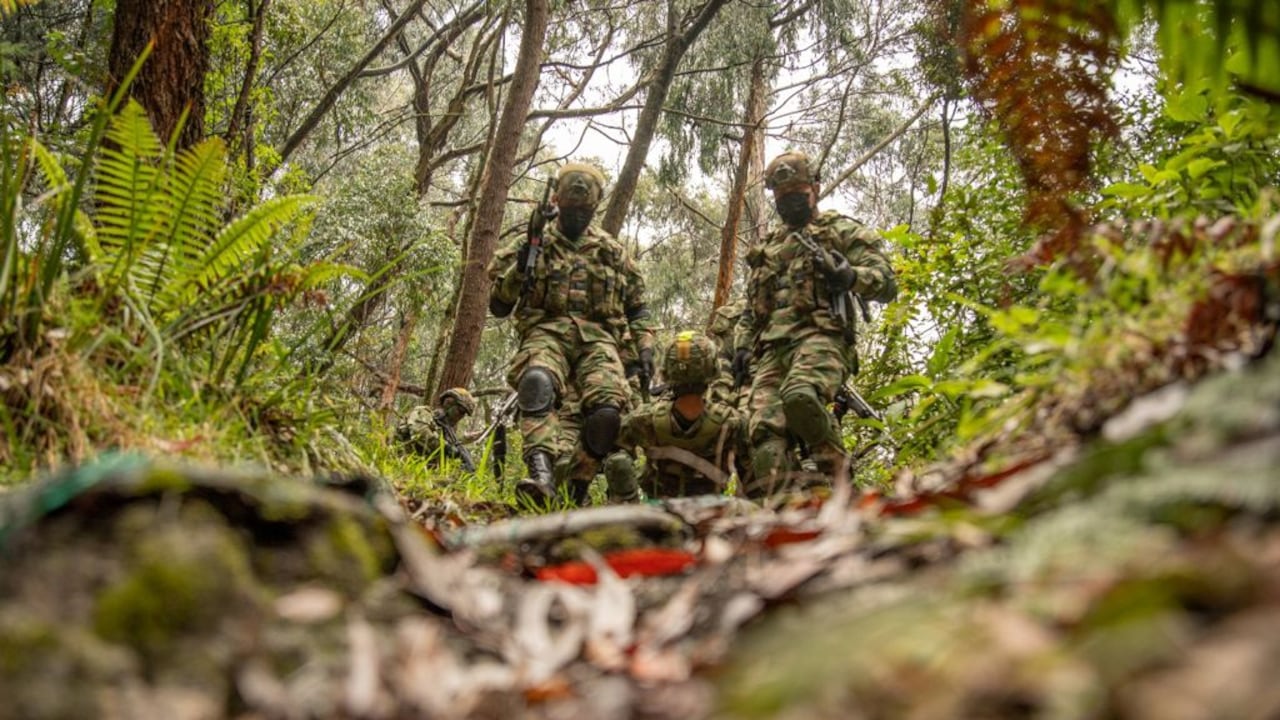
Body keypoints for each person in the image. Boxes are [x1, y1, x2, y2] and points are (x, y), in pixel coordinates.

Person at [488, 162, 655, 506]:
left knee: (608, 410)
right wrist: (520, 269)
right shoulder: (533, 244)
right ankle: (541, 472)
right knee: (537, 382)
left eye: (586, 209)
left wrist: (647, 350)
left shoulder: (612, 252)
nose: (578, 215)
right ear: (558, 202)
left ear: (595, 207)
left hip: (599, 341)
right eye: (571, 207)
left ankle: (575, 484)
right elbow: (499, 306)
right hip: (545, 331)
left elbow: (637, 309)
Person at [735, 151, 897, 498]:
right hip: (771, 351)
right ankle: (790, 513)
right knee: (763, 433)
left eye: (798, 195)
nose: (790, 204)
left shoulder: (839, 230)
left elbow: (886, 283)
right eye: (782, 199)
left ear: (816, 188)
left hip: (822, 338)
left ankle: (840, 482)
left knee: (800, 397)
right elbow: (752, 309)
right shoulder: (769, 247)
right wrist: (741, 346)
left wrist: (849, 275)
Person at [605, 330, 748, 499]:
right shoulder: (732, 422)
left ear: (667, 372)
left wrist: (628, 500)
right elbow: (750, 473)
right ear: (712, 370)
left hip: (658, 513)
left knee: (618, 461)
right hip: (711, 515)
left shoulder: (643, 419)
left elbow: (615, 459)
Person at [395, 387, 478, 470]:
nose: (461, 416)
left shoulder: (446, 434)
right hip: (398, 464)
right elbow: (420, 433)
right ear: (449, 403)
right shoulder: (423, 413)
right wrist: (447, 448)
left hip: (420, 474)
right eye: (461, 411)